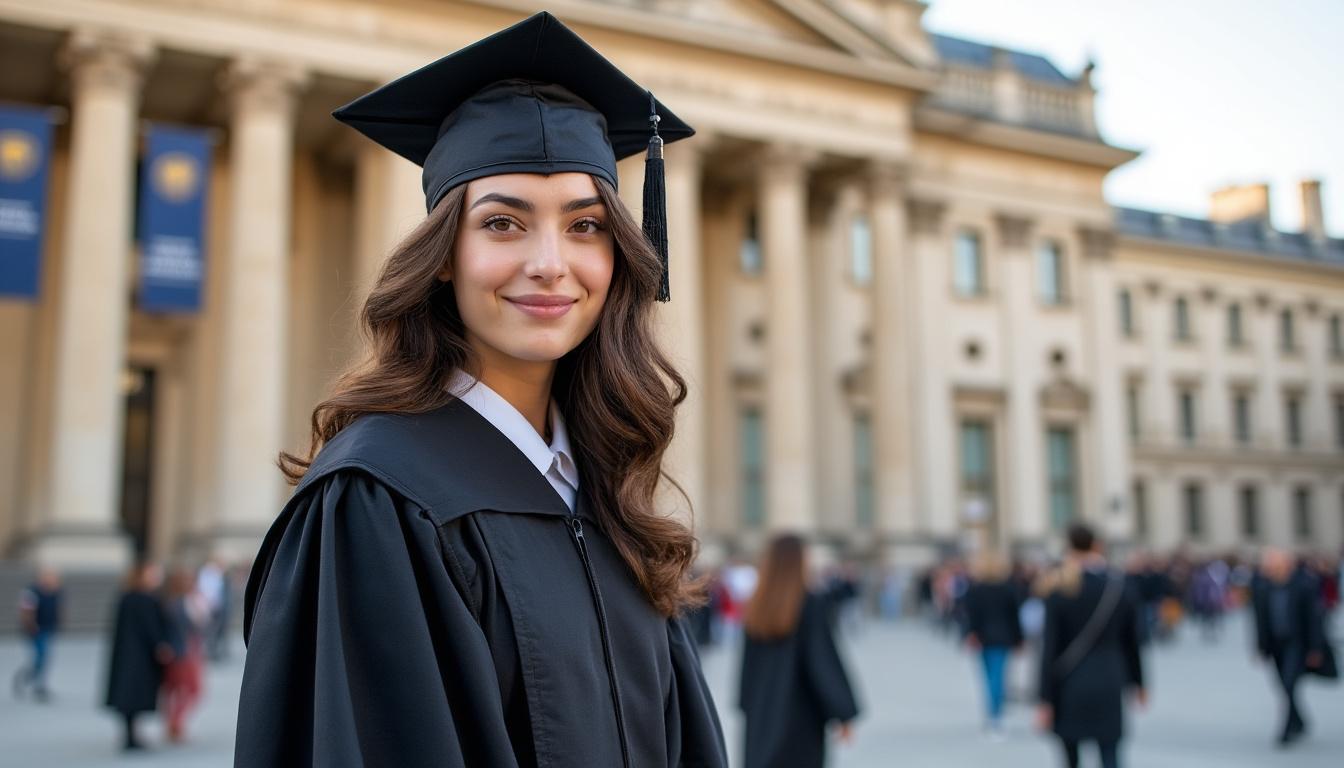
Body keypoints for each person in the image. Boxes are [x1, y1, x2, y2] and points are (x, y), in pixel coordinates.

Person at [235, 13, 725, 768]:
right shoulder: (378, 501)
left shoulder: (604, 494)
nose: (550, 263)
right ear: (441, 257)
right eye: (503, 223)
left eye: (586, 225)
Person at [739, 534, 860, 768]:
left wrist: (748, 706)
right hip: (800, 717)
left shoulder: (756, 605)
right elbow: (822, 661)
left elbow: (747, 669)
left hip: (761, 714)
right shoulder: (809, 604)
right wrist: (843, 712)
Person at [1037, 524, 1145, 768]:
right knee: (1110, 754)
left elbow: (1049, 648)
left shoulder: (1059, 589)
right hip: (1109, 677)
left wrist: (1044, 698)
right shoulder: (1119, 587)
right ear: (1097, 546)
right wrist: (1139, 682)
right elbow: (1132, 642)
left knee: (1070, 757)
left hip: (1068, 681)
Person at [1251, 548, 1334, 746]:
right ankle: (1300, 721)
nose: (1270, 569)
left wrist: (1315, 648)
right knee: (1284, 686)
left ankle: (1287, 729)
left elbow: (1314, 620)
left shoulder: (1304, 586)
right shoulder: (1263, 588)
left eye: (1274, 566)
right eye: (1268, 566)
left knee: (1289, 683)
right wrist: (1260, 647)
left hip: (1297, 643)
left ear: (1286, 565)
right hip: (1276, 644)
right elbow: (1260, 620)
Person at [104, 562, 173, 751]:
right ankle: (130, 736)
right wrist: (161, 644)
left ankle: (131, 734)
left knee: (128, 696)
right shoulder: (144, 599)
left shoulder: (127, 597)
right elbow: (152, 627)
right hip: (140, 657)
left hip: (127, 654)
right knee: (133, 695)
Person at [962, 550, 1023, 735]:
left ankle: (992, 713)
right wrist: (1019, 638)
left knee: (988, 677)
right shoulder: (1008, 589)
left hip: (983, 637)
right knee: (998, 676)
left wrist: (970, 634)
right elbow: (1014, 616)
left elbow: (971, 616)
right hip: (1003, 636)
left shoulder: (975, 589)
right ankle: (995, 714)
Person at [161, 567, 210, 743]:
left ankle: (174, 723)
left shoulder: (174, 601)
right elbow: (198, 622)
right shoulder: (180, 602)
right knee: (190, 689)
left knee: (177, 690)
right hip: (184, 651)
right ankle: (175, 723)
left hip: (187, 649)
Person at [13, 566, 62, 701]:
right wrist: (31, 626)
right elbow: (26, 611)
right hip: (35, 630)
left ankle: (37, 684)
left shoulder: (56, 592)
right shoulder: (31, 592)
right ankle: (32, 681)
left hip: (48, 628)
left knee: (44, 658)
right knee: (41, 657)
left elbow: (57, 608)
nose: (52, 580)